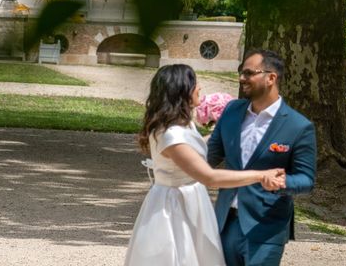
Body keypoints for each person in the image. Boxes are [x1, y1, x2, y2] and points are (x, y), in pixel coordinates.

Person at [124, 64, 285, 266]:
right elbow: (209, 177)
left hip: (191, 200)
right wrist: (260, 175)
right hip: (175, 207)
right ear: (182, 90)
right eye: (194, 83)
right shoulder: (170, 134)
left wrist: (222, 131)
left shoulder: (181, 124)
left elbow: (193, 149)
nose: (200, 87)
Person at [207, 49, 317, 266]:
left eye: (248, 73)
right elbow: (209, 157)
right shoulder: (231, 111)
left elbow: (306, 179)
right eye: (241, 72)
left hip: (266, 228)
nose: (241, 78)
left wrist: (281, 183)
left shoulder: (299, 126)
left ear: (271, 78)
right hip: (224, 222)